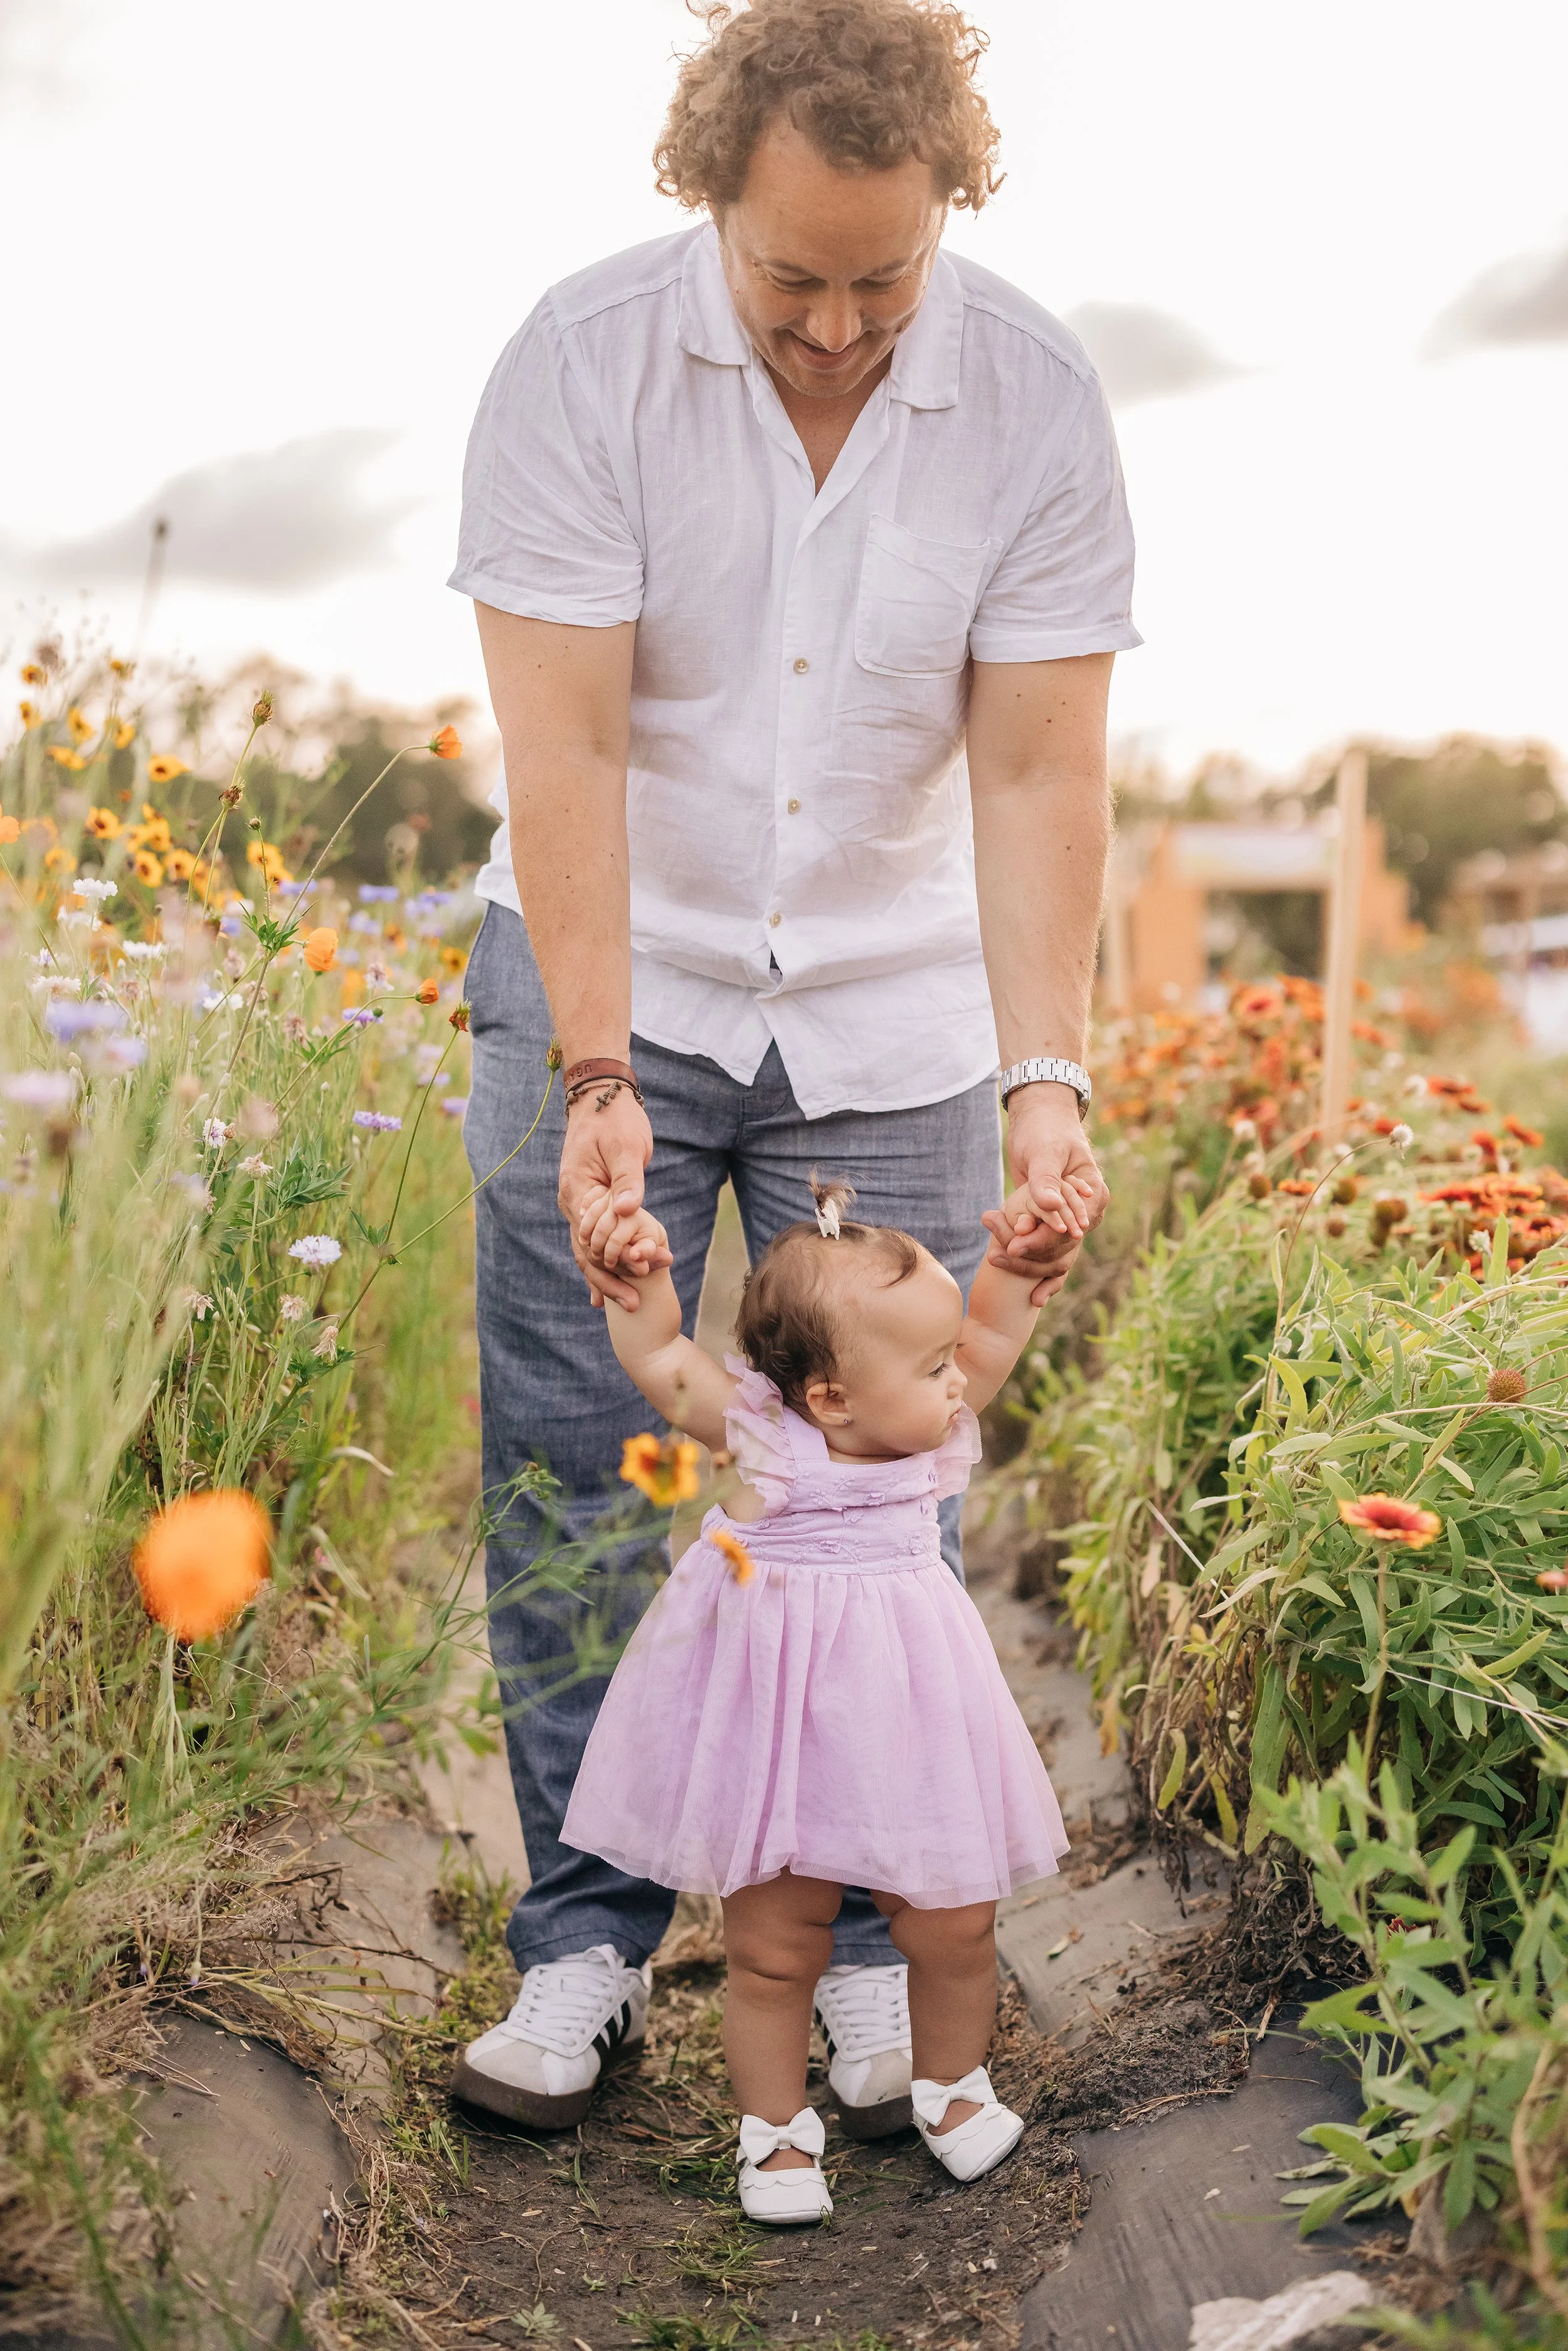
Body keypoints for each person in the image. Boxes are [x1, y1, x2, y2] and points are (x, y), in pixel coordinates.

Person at [447, 0, 1136, 2135]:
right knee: (577, 1463)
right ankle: (581, 1941)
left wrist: (1047, 1077)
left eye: (883, 280)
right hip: (609, 961)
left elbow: (1034, 768)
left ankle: (857, 1953)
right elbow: (561, 739)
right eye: (792, 279)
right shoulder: (576, 366)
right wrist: (588, 1062)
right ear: (711, 200)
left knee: (882, 1507)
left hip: (898, 992)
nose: (838, 324)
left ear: (948, 215)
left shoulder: (1031, 396)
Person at [558, 1176, 1069, 2222]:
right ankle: (777, 2135)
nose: (959, 1381)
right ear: (831, 1397)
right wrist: (642, 1280)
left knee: (953, 1920)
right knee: (775, 1945)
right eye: (934, 1366)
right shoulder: (766, 1441)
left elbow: (991, 1346)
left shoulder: (929, 1433)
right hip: (779, 1733)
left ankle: (954, 2091)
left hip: (911, 1719)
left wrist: (1012, 1275)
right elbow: (665, 1363)